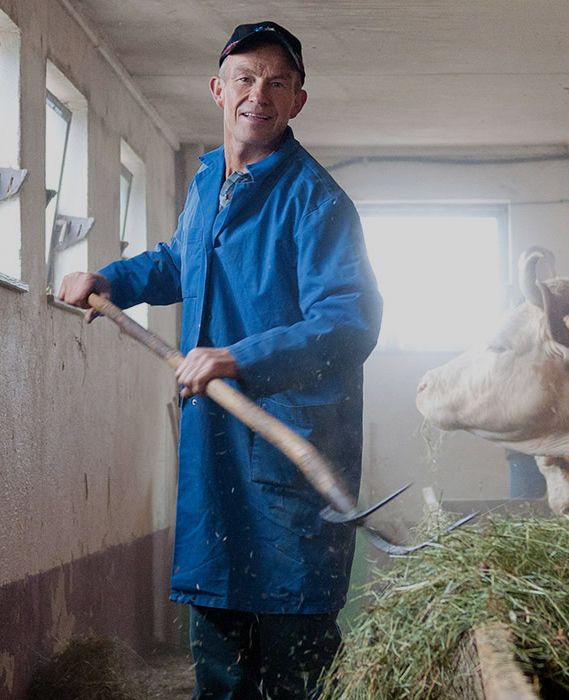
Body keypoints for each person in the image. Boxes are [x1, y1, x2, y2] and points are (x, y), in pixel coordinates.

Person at [55, 20, 382, 700]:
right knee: (220, 668)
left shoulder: (317, 202)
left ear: (297, 101)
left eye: (277, 83)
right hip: (215, 456)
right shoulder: (210, 182)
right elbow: (182, 261)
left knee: (297, 669)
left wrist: (238, 357)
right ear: (218, 89)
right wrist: (111, 279)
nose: (258, 95)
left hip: (287, 457)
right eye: (245, 79)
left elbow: (349, 323)